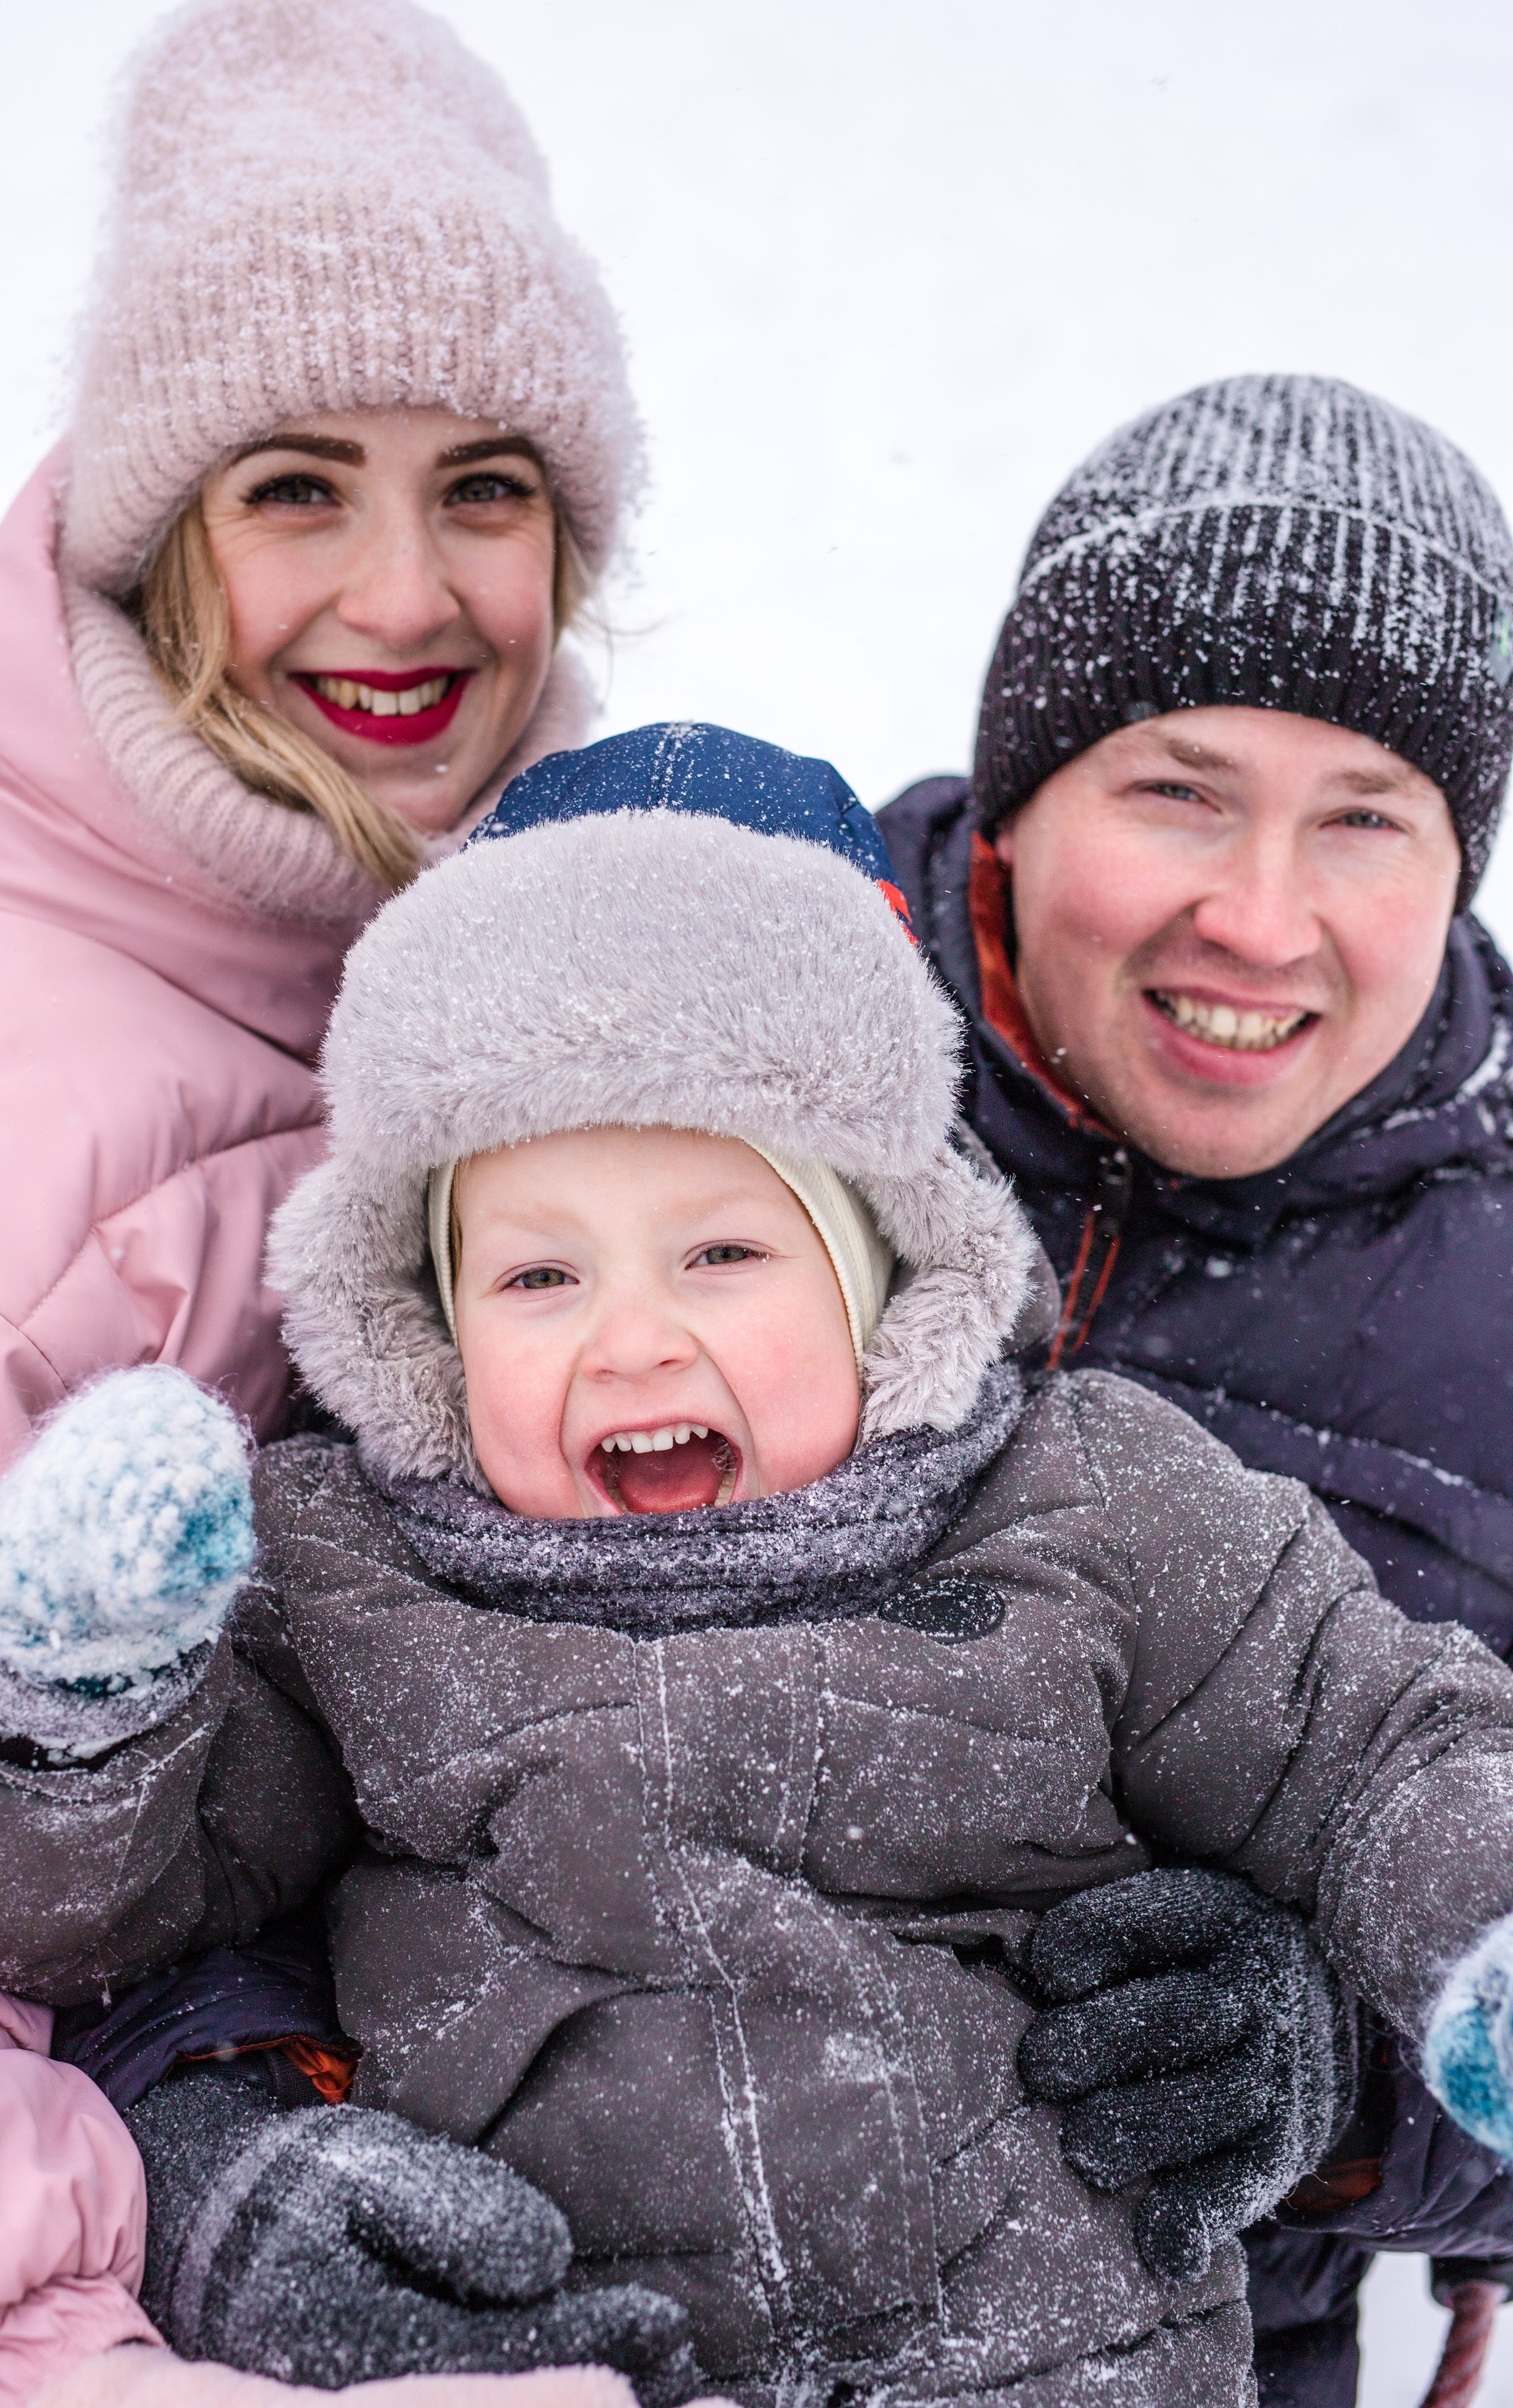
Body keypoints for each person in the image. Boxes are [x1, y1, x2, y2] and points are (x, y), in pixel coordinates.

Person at [0, 729, 1513, 2408]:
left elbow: (1382, 1736)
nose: (632, 1341)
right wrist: (66, 1707)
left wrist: (1462, 1945)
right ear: (432, 1319)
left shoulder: (1085, 1503)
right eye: (538, 1276)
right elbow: (96, 1913)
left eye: (722, 1252)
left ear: (880, 1264)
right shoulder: (350, 1578)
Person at [0, 0, 641, 2397]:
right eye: (298, 486)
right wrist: (145, 2257)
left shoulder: (510, 921)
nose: (407, 598)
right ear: (159, 527)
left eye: (491, 488)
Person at [878, 372, 1513, 2407]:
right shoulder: (743, 1083)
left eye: (1365, 820)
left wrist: (1345, 2089)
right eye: (1178, 787)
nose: (1259, 914)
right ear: (1020, 792)